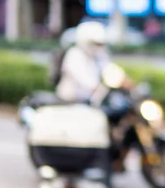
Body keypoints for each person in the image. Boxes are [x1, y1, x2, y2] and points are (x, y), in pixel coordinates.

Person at [55, 20, 134, 172]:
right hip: (74, 101)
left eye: (100, 44)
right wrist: (98, 88)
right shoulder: (75, 55)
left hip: (94, 101)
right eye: (95, 43)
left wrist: (125, 82)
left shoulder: (99, 56)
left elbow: (110, 70)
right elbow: (85, 80)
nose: (98, 47)